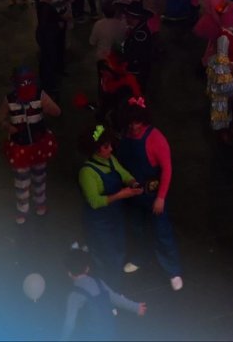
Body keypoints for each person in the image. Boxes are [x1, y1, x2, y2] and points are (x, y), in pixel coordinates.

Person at [115, 99, 183, 291]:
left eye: (137, 122)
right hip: (133, 192)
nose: (134, 127)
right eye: (130, 123)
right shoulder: (126, 135)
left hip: (152, 194)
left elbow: (167, 169)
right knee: (136, 229)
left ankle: (173, 270)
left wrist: (161, 197)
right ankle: (140, 257)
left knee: (162, 233)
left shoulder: (156, 138)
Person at [0, 70, 61, 225]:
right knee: (21, 179)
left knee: (40, 175)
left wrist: (47, 106)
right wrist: (7, 126)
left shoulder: (40, 95)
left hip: (39, 143)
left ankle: (40, 201)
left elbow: (57, 111)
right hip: (20, 146)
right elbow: (0, 117)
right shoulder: (9, 99)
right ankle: (22, 208)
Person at [78, 125, 143, 276]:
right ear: (96, 150)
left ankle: (115, 279)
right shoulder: (87, 173)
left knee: (119, 250)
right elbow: (95, 202)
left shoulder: (111, 160)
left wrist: (133, 183)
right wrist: (121, 194)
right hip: (98, 224)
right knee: (104, 255)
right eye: (106, 147)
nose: (111, 149)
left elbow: (124, 174)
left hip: (115, 217)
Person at [61, 245, 146, 341]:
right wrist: (135, 307)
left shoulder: (74, 295)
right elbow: (116, 298)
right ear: (87, 269)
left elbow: (69, 323)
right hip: (110, 331)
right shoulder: (98, 282)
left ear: (69, 273)